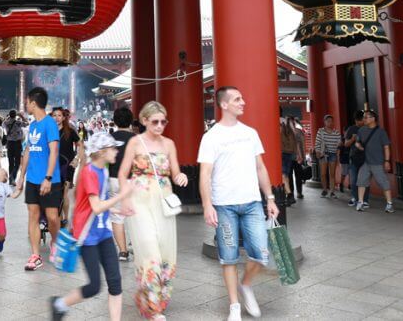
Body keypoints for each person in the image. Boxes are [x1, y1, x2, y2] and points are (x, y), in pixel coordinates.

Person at [199, 86, 280, 321]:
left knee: (261, 253)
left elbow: (260, 167)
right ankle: (234, 305)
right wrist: (207, 205)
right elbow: (205, 174)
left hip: (253, 202)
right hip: (224, 205)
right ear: (224, 104)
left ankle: (246, 285)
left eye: (242, 98)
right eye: (237, 99)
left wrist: (270, 198)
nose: (243, 102)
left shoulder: (250, 133)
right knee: (229, 256)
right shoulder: (211, 137)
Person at [50, 131, 136, 321]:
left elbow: (98, 204)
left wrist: (117, 211)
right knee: (94, 286)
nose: (116, 151)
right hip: (87, 236)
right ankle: (60, 304)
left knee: (115, 281)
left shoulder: (103, 170)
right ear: (102, 151)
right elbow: (96, 207)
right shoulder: (89, 172)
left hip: (103, 233)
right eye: (113, 148)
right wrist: (124, 194)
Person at [117, 101, 189, 320]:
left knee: (165, 251)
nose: (160, 125)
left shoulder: (169, 144)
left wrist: (181, 176)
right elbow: (122, 174)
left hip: (163, 198)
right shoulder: (134, 143)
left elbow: (175, 172)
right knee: (150, 250)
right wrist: (125, 199)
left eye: (163, 121)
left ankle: (151, 296)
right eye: (155, 121)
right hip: (139, 198)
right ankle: (152, 306)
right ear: (145, 120)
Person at [15, 87, 61, 271]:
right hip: (33, 180)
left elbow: (54, 152)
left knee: (52, 217)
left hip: (50, 180)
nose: (26, 105)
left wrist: (48, 178)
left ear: (33, 103)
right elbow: (27, 152)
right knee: (33, 215)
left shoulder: (49, 124)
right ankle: (35, 255)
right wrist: (21, 178)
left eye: (27, 102)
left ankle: (55, 243)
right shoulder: (32, 125)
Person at [355, 110, 395, 213]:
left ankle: (389, 204)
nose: (364, 119)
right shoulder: (361, 130)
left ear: (373, 119)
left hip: (378, 162)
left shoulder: (381, 132)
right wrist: (358, 146)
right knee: (361, 181)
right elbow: (357, 142)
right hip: (365, 162)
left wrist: (387, 161)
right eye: (364, 117)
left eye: (366, 117)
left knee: (383, 182)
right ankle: (360, 202)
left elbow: (386, 147)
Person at [110, 106, 135, 261]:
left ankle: (123, 252)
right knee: (135, 214)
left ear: (115, 121)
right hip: (132, 180)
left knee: (117, 217)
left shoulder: (110, 138)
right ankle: (137, 246)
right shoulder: (136, 139)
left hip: (113, 180)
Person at [53, 107, 81, 227]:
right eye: (54, 116)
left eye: (59, 116)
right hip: (52, 165)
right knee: (55, 193)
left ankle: (65, 217)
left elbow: (80, 145)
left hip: (68, 165)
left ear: (64, 118)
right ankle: (57, 218)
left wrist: (76, 158)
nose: (57, 118)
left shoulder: (70, 130)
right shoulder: (48, 131)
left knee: (64, 193)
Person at [315, 114, 342, 198]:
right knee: (323, 174)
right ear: (324, 122)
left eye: (331, 121)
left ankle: (332, 192)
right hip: (323, 154)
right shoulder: (321, 131)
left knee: (332, 174)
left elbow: (339, 144)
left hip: (333, 154)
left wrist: (339, 145)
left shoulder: (336, 132)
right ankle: (324, 190)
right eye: (328, 121)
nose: (329, 123)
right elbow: (317, 143)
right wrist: (317, 152)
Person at [342, 112, 365, 206]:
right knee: (354, 180)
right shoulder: (351, 129)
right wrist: (352, 139)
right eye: (361, 120)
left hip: (365, 158)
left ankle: (364, 200)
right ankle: (355, 198)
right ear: (356, 120)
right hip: (354, 158)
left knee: (364, 180)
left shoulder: (367, 128)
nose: (363, 121)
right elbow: (345, 144)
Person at [3, 110, 24, 184]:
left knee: (10, 162)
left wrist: (9, 117)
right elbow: (27, 123)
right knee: (17, 162)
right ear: (15, 115)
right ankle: (12, 177)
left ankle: (11, 179)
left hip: (10, 144)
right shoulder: (19, 123)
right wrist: (21, 116)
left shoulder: (5, 123)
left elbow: (3, 122)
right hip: (17, 144)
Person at [289, 116, 306, 201]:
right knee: (289, 176)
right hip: (288, 156)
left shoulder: (299, 131)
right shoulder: (284, 132)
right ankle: (291, 193)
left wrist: (303, 156)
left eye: (292, 122)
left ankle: (299, 192)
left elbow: (302, 144)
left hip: (297, 157)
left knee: (298, 175)